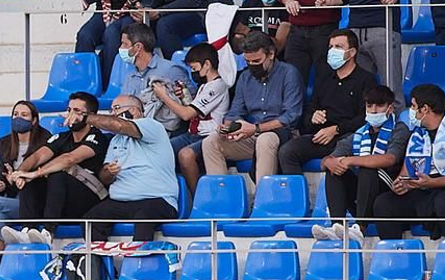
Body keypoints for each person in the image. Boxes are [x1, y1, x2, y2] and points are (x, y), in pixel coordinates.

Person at [371, 83, 445, 241]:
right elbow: (407, 171)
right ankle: (397, 258)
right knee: (384, 203)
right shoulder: (418, 134)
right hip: (425, 190)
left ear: (425, 109)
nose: (411, 111)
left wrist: (430, 183)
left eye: (413, 106)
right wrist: (402, 184)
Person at [1, 93, 112, 247]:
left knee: (56, 174)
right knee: (30, 181)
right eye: (69, 110)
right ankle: (27, 230)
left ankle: (48, 232)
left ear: (91, 116)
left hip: (89, 201)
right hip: (63, 201)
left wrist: (36, 173)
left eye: (77, 111)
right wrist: (20, 173)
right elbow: (37, 157)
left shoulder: (97, 137)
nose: (71, 115)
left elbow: (69, 159)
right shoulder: (61, 137)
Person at [200, 30, 302, 182]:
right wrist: (228, 127)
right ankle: (222, 199)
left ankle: (263, 198)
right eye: (248, 62)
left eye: (257, 61)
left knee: (265, 139)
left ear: (271, 54)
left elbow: (291, 116)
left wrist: (256, 129)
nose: (252, 65)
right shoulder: (245, 77)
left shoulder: (289, 73)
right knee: (211, 143)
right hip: (251, 134)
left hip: (282, 134)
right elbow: (234, 112)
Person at [312, 83, 408, 244]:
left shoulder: (399, 129)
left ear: (390, 108)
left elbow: (390, 158)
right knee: (335, 170)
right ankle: (337, 225)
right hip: (362, 193)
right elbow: (328, 160)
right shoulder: (359, 133)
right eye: (369, 106)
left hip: (387, 190)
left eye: (379, 105)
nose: (374, 110)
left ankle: (361, 227)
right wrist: (330, 162)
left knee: (366, 168)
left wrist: (350, 160)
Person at [82, 94, 180, 247]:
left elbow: (119, 125)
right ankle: (100, 265)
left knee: (144, 216)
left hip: (157, 199)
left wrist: (84, 117)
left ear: (134, 111)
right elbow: (104, 178)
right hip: (121, 202)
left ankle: (138, 265)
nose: (112, 114)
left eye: (116, 108)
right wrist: (109, 171)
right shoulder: (116, 139)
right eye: (111, 110)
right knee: (91, 220)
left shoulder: (151, 126)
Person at [276, 30, 373, 174]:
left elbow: (365, 118)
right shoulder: (324, 78)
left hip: (348, 136)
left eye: (338, 47)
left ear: (352, 52)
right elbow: (310, 110)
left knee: (339, 157)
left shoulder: (366, 80)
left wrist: (336, 129)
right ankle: (296, 194)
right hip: (321, 136)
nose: (333, 51)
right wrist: (313, 117)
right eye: (331, 47)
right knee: (287, 152)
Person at [0, 101, 53, 254]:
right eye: (15, 114)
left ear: (34, 120)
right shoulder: (5, 144)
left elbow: (45, 175)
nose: (18, 118)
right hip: (13, 201)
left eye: (24, 115)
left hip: (35, 203)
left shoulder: (46, 142)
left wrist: (19, 176)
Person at [155, 42, 231, 192]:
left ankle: (197, 196)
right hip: (193, 133)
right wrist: (184, 96)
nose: (193, 73)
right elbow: (193, 110)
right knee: (160, 149)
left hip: (209, 137)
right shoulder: (204, 85)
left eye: (195, 68)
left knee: (186, 155)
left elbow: (186, 114)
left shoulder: (218, 85)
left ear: (207, 65)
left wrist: (163, 96)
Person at [117, 22, 190, 134]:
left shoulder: (171, 70)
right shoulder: (129, 77)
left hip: (164, 134)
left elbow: (191, 103)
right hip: (135, 132)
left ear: (138, 47)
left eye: (124, 44)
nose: (120, 48)